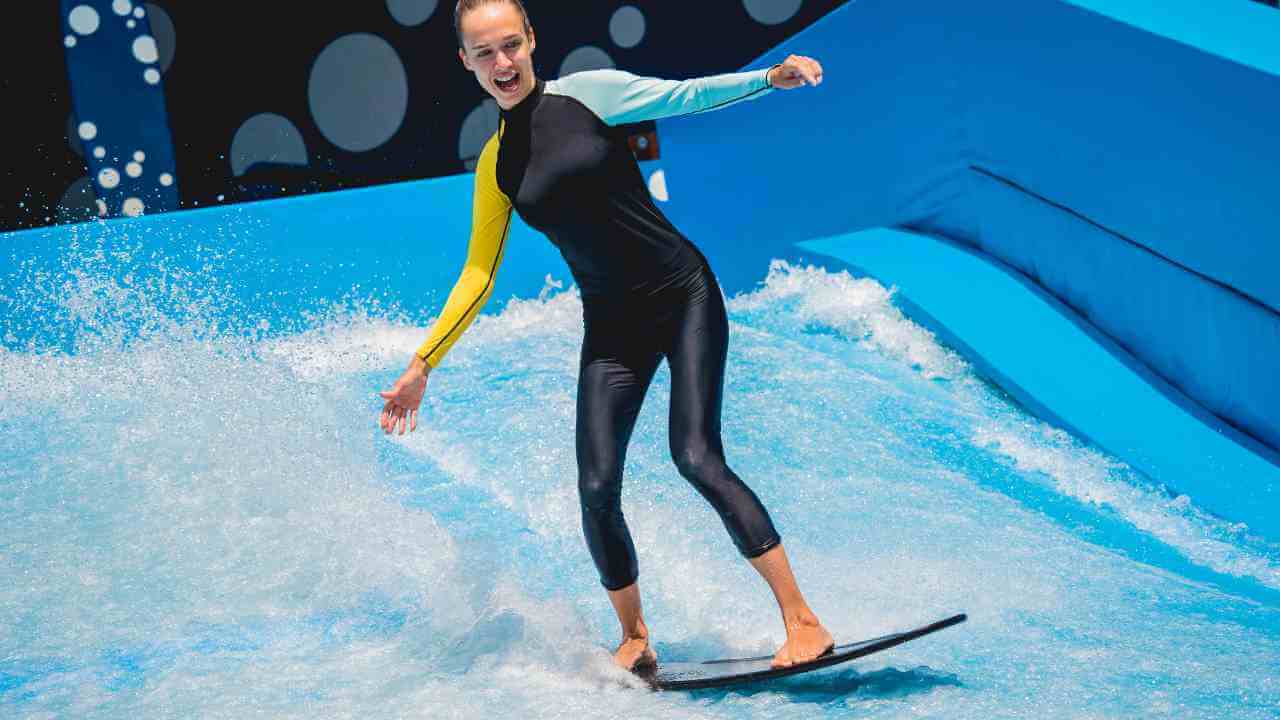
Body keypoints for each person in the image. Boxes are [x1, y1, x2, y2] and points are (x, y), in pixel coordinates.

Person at [378, 0, 833, 672]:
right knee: (596, 485)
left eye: (511, 45)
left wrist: (769, 78)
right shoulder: (497, 166)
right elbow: (478, 273)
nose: (503, 63)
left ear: (532, 41)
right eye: (485, 53)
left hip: (682, 296)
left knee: (696, 456)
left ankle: (804, 623)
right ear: (465, 62)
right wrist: (423, 364)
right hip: (612, 328)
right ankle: (636, 639)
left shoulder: (586, 96)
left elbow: (683, 96)